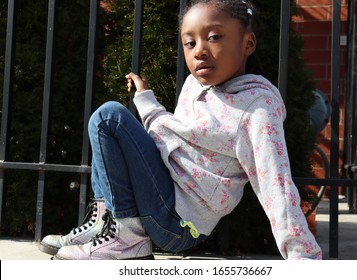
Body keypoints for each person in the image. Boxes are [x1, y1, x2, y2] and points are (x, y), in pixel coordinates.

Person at [39, 0, 322, 260]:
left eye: (214, 37)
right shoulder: (194, 86)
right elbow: (168, 141)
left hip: (179, 222)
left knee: (109, 117)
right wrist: (145, 98)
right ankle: (107, 225)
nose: (199, 50)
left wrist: (302, 257)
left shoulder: (257, 107)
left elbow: (275, 183)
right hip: (163, 195)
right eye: (189, 42)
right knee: (106, 121)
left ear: (248, 43)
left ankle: (127, 240)